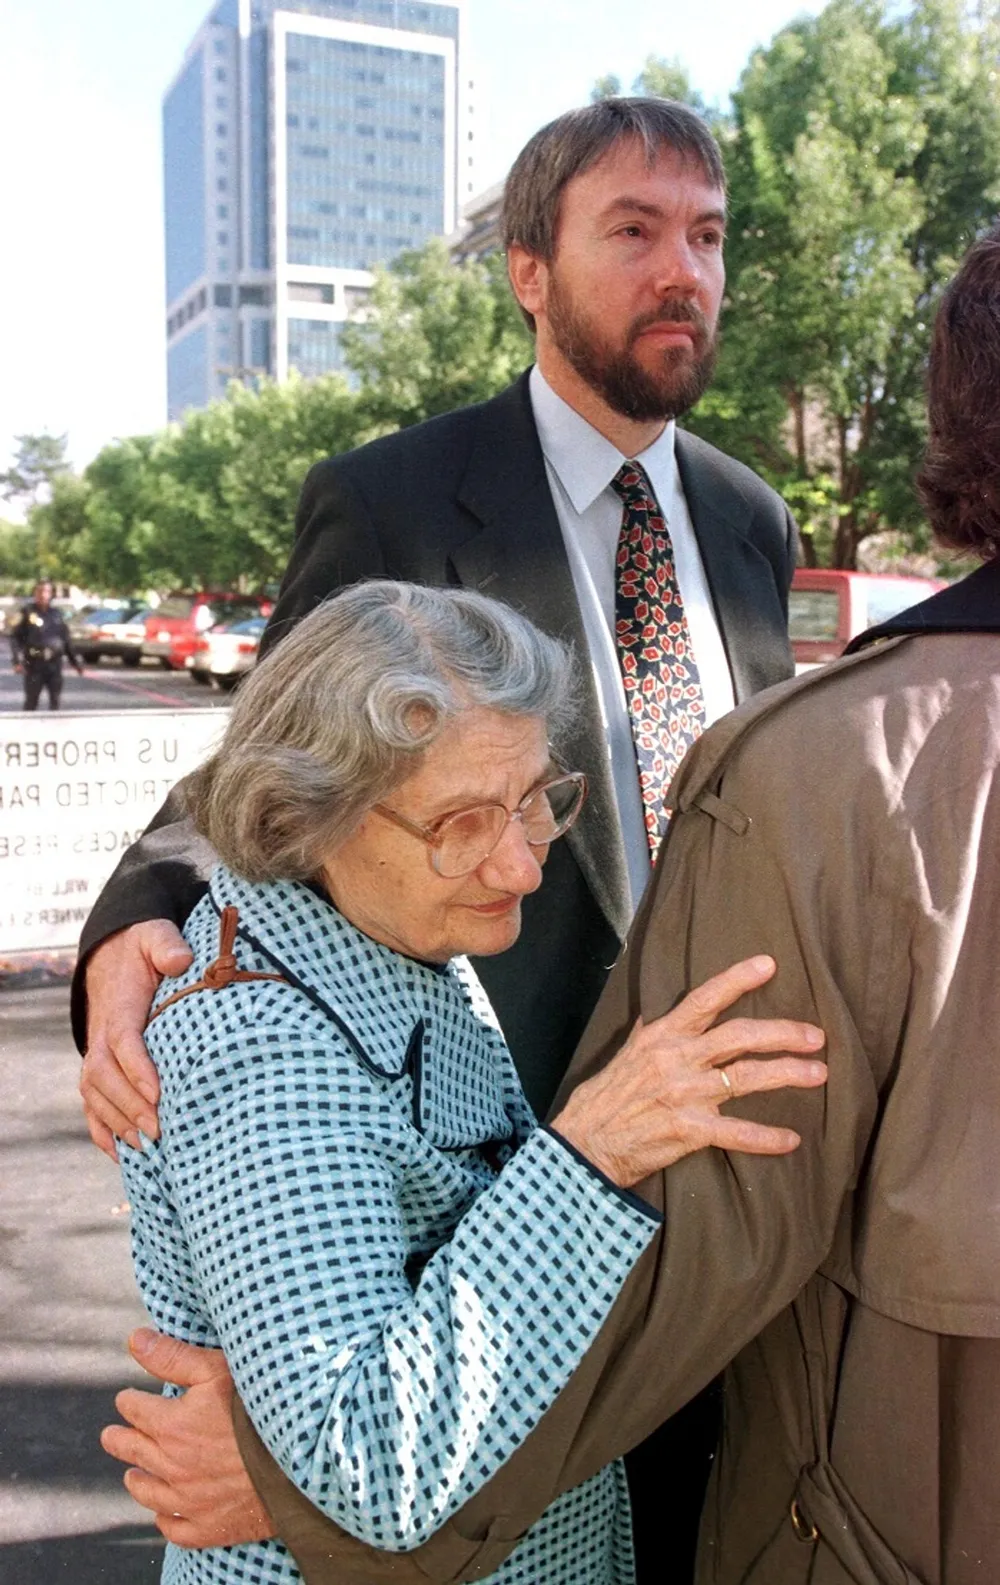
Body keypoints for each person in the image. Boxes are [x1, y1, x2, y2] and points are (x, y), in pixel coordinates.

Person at [79, 96, 799, 1573]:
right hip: (479, 1205)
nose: (686, 271)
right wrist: (128, 932)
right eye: (636, 230)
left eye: (711, 237)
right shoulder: (393, 495)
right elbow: (267, 758)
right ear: (529, 270)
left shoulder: (749, 521)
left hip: (727, 1200)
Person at [117, 578, 827, 1585]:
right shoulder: (263, 1049)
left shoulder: (378, 934)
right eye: (459, 822)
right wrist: (591, 1153)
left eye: (533, 798)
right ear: (308, 813)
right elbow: (371, 1462)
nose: (521, 865)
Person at [10, 579, 84, 709]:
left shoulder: (57, 614)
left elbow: (66, 639)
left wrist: (76, 662)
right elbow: (15, 638)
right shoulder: (26, 612)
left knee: (55, 701)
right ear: (35, 593)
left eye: (46, 591)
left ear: (51, 594)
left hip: (54, 664)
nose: (43, 594)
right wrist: (17, 661)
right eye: (39, 591)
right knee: (31, 702)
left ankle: (53, 728)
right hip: (34, 663)